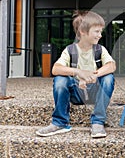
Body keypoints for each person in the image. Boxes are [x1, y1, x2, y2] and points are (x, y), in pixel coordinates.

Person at [36, 10, 116, 138]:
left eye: (100, 31)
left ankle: (98, 121)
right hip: (77, 93)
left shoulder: (100, 49)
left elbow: (112, 65)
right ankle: (60, 122)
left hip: (95, 93)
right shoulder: (70, 50)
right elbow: (55, 69)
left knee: (108, 78)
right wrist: (79, 72)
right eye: (97, 31)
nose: (100, 35)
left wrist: (93, 75)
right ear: (83, 32)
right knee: (60, 79)